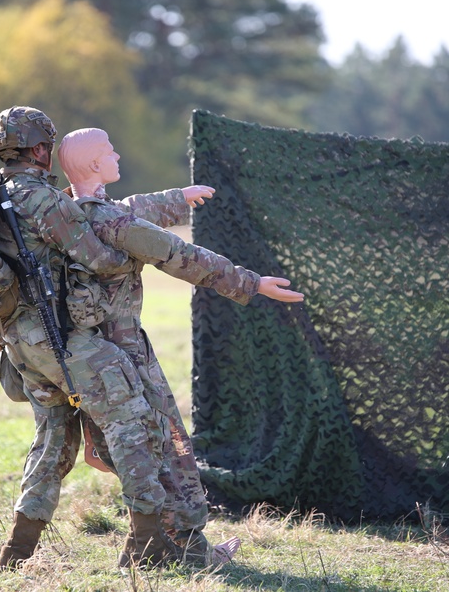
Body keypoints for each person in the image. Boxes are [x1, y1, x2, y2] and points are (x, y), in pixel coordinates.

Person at [20, 126, 304, 567]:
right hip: (124, 352)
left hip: (78, 356)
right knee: (171, 445)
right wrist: (252, 282)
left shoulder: (69, 214)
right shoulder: (107, 220)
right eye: (109, 150)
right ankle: (189, 551)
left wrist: (178, 197)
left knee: (121, 447)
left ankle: (153, 544)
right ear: (94, 164)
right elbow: (174, 252)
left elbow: (131, 208)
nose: (117, 154)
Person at [0, 106, 178, 571]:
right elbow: (98, 259)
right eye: (46, 147)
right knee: (131, 417)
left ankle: (16, 552)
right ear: (38, 149)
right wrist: (132, 246)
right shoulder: (44, 200)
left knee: (54, 439)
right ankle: (148, 543)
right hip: (61, 339)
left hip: (18, 344)